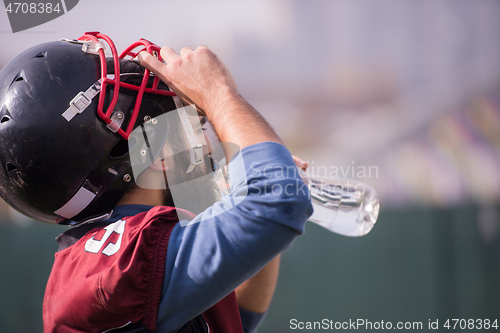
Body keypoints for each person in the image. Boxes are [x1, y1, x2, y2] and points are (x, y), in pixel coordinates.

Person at [0, 32, 312, 332]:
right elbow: (279, 204)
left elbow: (231, 322)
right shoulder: (118, 260)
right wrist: (219, 93)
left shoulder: (113, 260)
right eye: (194, 123)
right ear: (154, 153)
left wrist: (254, 221)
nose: (207, 144)